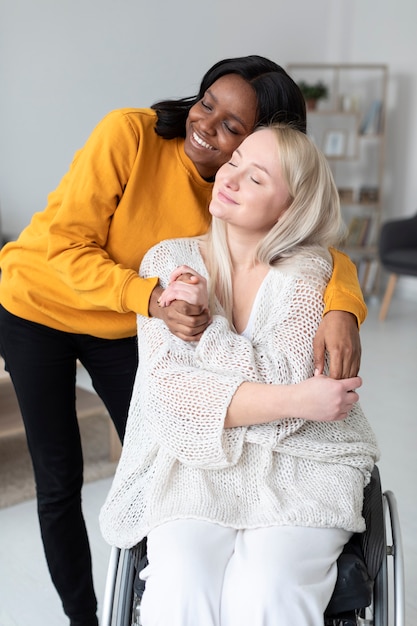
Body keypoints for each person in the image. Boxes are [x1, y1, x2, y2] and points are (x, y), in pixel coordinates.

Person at [0, 55, 366, 626]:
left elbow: (313, 248)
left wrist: (342, 304)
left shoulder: (229, 191)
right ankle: (81, 618)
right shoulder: (131, 135)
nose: (207, 128)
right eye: (206, 104)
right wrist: (149, 297)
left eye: (233, 130)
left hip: (134, 317)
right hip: (40, 303)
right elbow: (64, 247)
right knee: (57, 474)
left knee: (154, 453)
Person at [99, 123, 379, 626]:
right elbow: (175, 396)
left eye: (256, 178)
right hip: (193, 462)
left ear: (291, 207)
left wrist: (207, 331)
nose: (230, 176)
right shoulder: (168, 261)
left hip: (306, 462)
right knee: (179, 587)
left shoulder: (312, 272)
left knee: (268, 592)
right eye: (236, 161)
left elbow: (285, 376)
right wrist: (295, 398)